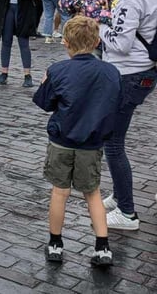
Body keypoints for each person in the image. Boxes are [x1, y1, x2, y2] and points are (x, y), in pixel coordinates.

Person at [33, 16, 120, 267]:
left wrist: (45, 83)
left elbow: (44, 102)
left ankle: (55, 242)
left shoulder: (58, 70)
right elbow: (115, 104)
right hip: (91, 142)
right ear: (96, 41)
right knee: (92, 193)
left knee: (60, 192)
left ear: (66, 43)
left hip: (62, 139)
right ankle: (102, 246)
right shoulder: (110, 72)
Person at [99, 0, 157, 231]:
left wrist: (99, 26)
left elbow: (120, 43)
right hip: (142, 71)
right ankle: (119, 194)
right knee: (114, 140)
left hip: (128, 73)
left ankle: (127, 212)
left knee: (113, 143)